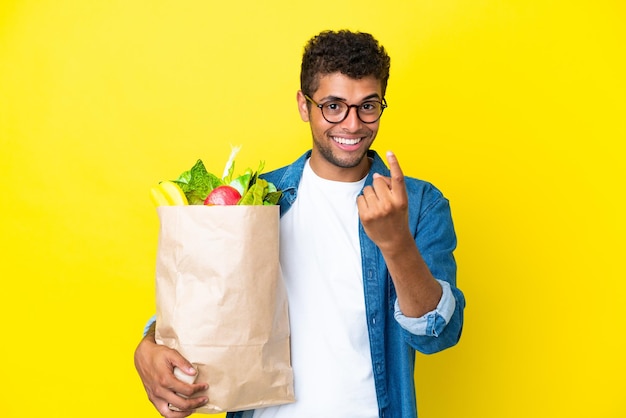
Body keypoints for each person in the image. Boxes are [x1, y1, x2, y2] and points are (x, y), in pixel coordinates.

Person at [134, 29, 465, 418]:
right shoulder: (259, 198)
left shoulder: (419, 204)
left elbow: (438, 334)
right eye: (334, 106)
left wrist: (396, 244)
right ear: (304, 106)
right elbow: (202, 300)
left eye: (368, 106)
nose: (353, 124)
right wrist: (148, 345)